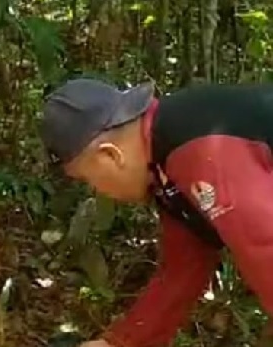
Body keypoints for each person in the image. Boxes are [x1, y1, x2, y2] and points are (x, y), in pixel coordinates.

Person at [40, 78, 273, 347]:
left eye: (88, 180)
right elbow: (183, 269)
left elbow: (265, 245)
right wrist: (120, 343)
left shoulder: (197, 148)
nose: (98, 191)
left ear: (110, 155)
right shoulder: (164, 168)